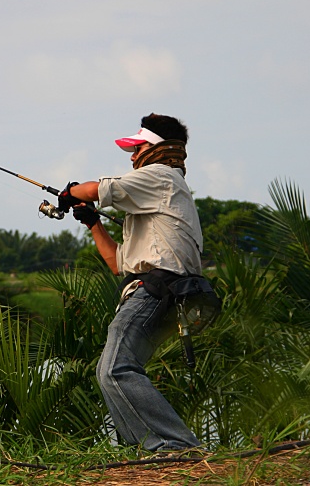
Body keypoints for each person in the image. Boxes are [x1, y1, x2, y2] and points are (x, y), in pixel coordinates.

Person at [57, 113, 204, 452]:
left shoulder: (162, 176)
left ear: (154, 149)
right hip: (159, 292)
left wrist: (69, 193)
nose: (132, 156)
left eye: (137, 148)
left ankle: (177, 448)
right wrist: (94, 223)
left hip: (155, 290)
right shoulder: (157, 195)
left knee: (114, 369)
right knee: (110, 370)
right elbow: (118, 263)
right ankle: (145, 448)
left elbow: (98, 188)